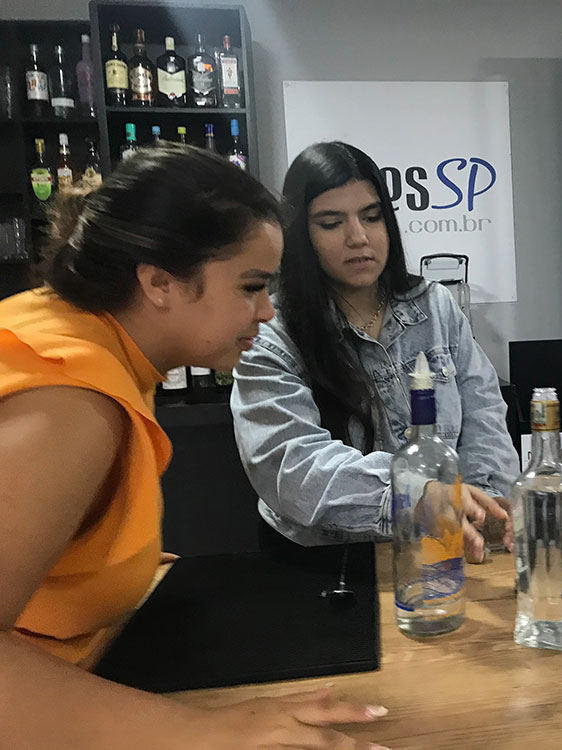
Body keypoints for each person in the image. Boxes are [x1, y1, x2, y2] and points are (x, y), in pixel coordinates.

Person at [0, 144, 390, 749]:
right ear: (158, 282)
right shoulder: (70, 405)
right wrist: (206, 731)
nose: (266, 312)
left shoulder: (81, 337)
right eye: (251, 287)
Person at [231, 141, 519, 560]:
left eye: (372, 216)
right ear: (301, 235)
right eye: (332, 223)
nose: (359, 237)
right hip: (325, 560)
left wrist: (482, 504)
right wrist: (413, 496)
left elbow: (483, 417)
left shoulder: (435, 307)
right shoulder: (272, 334)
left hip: (444, 548)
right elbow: (291, 467)